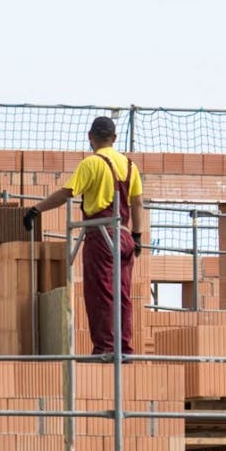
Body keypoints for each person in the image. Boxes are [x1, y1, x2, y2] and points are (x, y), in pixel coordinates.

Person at [22, 116, 143, 355]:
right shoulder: (130, 165)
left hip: (101, 235)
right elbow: (138, 203)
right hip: (125, 236)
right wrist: (137, 236)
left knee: (101, 294)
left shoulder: (92, 164)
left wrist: (36, 209)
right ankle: (124, 350)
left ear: (90, 137)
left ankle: (105, 350)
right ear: (115, 138)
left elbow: (67, 193)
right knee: (123, 295)